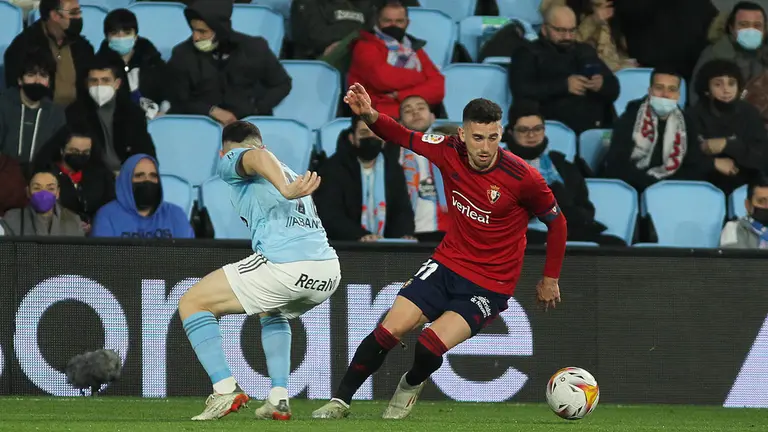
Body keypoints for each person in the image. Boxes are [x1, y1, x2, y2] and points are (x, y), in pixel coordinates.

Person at [312, 83, 566, 420]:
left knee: (429, 344)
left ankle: (410, 384)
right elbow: (401, 135)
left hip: (489, 283)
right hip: (447, 264)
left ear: (501, 134)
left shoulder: (523, 177)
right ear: (462, 134)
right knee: (388, 330)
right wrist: (370, 114)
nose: (485, 147)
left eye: (493, 138)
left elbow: (557, 223)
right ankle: (340, 401)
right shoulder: (447, 150)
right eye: (478, 138)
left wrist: (550, 278)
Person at [177, 121, 340, 421]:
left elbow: (253, 156)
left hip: (287, 266)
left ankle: (224, 389)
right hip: (328, 272)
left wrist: (284, 190)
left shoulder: (239, 159)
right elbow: (261, 157)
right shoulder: (288, 170)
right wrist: (286, 186)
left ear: (224, 152)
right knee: (272, 311)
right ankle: (279, 398)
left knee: (192, 303)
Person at [503, 101, 625, 245]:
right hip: (519, 235)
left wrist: (561, 203)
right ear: (510, 132)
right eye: (523, 130)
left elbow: (586, 212)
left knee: (614, 244)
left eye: (537, 129)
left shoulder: (562, 166)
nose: (531, 135)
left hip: (565, 231)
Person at [168, 0, 292, 124]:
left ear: (219, 30)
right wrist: (211, 111)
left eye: (202, 31)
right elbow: (178, 98)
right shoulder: (182, 54)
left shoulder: (254, 48)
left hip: (249, 124)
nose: (196, 37)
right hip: (201, 125)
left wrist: (256, 109)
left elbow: (282, 83)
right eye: (193, 30)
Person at [509, 5, 619, 134]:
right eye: (560, 30)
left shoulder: (585, 51)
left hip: (593, 127)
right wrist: (564, 85)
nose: (567, 36)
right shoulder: (527, 53)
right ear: (544, 29)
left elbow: (614, 88)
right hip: (548, 127)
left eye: (572, 30)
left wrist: (601, 84)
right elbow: (522, 89)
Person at [602, 68, 708, 192]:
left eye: (672, 89)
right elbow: (617, 164)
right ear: (650, 91)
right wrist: (652, 186)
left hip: (671, 190)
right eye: (659, 88)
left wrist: (667, 187)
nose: (665, 94)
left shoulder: (687, 122)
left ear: (678, 95)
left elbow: (693, 166)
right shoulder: (631, 117)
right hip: (631, 187)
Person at [46, 54, 156, 173]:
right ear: (87, 84)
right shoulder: (75, 112)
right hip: (92, 175)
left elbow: (145, 151)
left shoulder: (133, 112)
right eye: (94, 81)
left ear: (117, 84)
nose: (99, 86)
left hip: (127, 173)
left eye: (105, 80)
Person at [315, 115, 415, 242]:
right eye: (364, 133)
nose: (371, 137)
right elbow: (329, 214)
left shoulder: (393, 168)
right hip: (347, 245)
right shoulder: (332, 168)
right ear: (352, 138)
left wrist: (403, 234)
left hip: (386, 246)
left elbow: (402, 210)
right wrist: (360, 235)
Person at [346, 0, 445, 119]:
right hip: (377, 116)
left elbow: (438, 87)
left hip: (413, 116)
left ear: (407, 23)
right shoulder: (364, 46)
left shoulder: (413, 48)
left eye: (399, 21)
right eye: (387, 21)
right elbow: (383, 79)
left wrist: (400, 95)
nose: (393, 25)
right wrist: (420, 77)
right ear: (377, 21)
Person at [687, 59, 768, 195]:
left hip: (746, 185)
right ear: (707, 89)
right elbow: (684, 159)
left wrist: (728, 145)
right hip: (703, 185)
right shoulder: (692, 116)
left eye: (731, 83)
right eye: (718, 84)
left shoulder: (750, 113)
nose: (726, 89)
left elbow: (762, 158)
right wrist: (713, 163)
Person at [4, 0, 95, 107]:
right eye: (74, 13)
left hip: (76, 113)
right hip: (39, 113)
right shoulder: (23, 47)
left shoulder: (83, 47)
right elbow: (14, 95)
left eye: (79, 12)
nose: (79, 17)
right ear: (55, 15)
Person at [32, 125, 116, 232]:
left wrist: (96, 223)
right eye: (74, 151)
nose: (80, 155)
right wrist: (73, 223)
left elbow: (110, 206)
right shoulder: (47, 175)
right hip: (60, 233)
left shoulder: (101, 175)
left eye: (85, 152)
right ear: (62, 150)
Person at [91, 154, 193, 238]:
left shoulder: (176, 215)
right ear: (126, 180)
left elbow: (188, 254)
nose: (147, 181)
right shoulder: (107, 216)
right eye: (139, 176)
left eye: (153, 176)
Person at [97, 8, 169, 120]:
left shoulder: (153, 62)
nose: (121, 38)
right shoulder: (97, 66)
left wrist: (162, 113)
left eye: (127, 33)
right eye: (115, 33)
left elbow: (168, 93)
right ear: (107, 37)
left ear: (135, 36)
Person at [691, 2, 768, 107]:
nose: (751, 30)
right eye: (744, 25)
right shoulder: (714, 54)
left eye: (757, 25)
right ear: (731, 28)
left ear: (764, 30)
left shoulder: (764, 56)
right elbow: (696, 96)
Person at [0, 51, 66, 167]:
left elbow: (57, 155)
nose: (37, 81)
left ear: (49, 83)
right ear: (20, 80)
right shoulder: (3, 104)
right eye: (31, 75)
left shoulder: (56, 113)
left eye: (43, 76)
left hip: (42, 175)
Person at [398, 96, 449, 241]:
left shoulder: (452, 148)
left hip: (451, 232)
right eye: (408, 111)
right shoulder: (393, 153)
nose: (415, 113)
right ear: (400, 122)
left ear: (433, 117)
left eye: (421, 108)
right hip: (411, 234)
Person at [0, 170, 84, 236]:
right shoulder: (12, 219)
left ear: (58, 192)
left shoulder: (73, 220)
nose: (44, 194)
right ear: (28, 192)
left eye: (50, 188)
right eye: (37, 188)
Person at [721, 173, 768, 248]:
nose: (767, 206)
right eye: (761, 201)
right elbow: (734, 255)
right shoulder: (733, 228)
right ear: (748, 205)